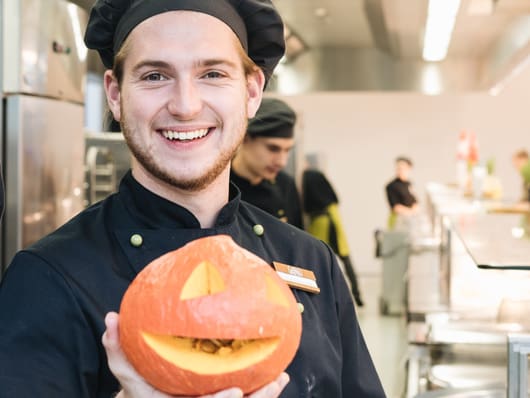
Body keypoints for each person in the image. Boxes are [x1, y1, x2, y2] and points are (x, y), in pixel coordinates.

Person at [0, 1, 385, 397]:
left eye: (213, 74)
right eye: (154, 76)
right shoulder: (48, 278)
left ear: (252, 92)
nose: (185, 106)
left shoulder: (309, 260)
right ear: (115, 94)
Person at [231, 98, 303, 229]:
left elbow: (298, 244)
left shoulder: (285, 185)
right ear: (245, 138)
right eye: (273, 149)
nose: (282, 162)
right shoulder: (219, 186)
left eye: (287, 150)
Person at [302, 168, 364, 307]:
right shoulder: (331, 203)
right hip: (334, 222)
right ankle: (357, 295)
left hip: (322, 223)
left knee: (318, 261)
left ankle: (321, 295)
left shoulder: (316, 211)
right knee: (345, 259)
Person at [385, 156, 419, 229]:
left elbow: (414, 200)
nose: (400, 170)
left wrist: (415, 210)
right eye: (398, 168)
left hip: (410, 220)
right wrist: (411, 212)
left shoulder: (408, 184)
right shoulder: (391, 186)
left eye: (403, 168)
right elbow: (395, 207)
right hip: (398, 220)